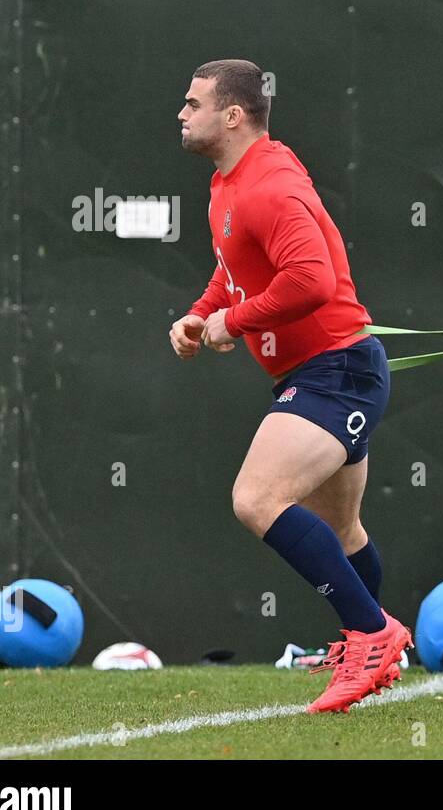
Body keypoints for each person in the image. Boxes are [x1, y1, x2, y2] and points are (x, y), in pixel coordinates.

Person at [169, 59, 411, 713]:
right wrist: (203, 312)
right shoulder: (230, 183)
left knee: (256, 498)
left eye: (194, 104)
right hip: (322, 371)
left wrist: (233, 321)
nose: (182, 114)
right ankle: (360, 643)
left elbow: (312, 280)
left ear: (233, 115)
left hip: (339, 371)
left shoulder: (269, 185)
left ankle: (371, 634)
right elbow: (238, 267)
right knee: (343, 525)